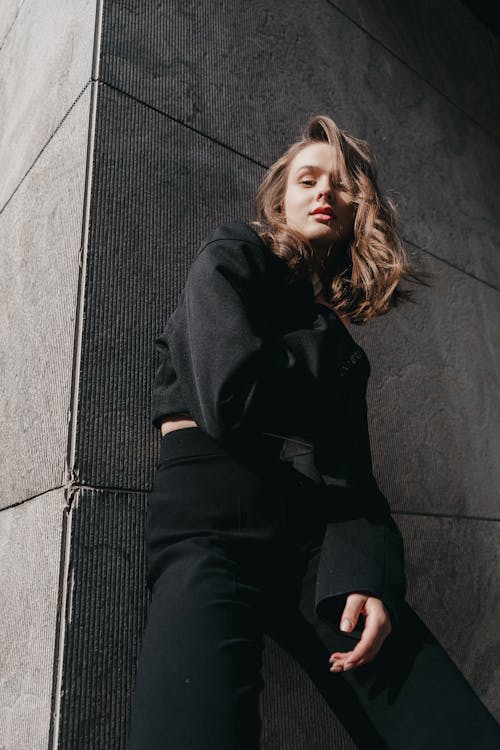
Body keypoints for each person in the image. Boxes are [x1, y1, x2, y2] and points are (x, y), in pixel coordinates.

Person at [128, 116, 500, 749]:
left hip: (308, 536)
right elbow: (228, 395)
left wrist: (372, 576)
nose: (324, 192)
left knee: (449, 727)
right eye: (308, 179)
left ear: (361, 211)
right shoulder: (233, 255)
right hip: (206, 522)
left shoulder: (338, 342)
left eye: (342, 185)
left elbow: (352, 478)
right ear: (281, 199)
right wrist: (328, 352)